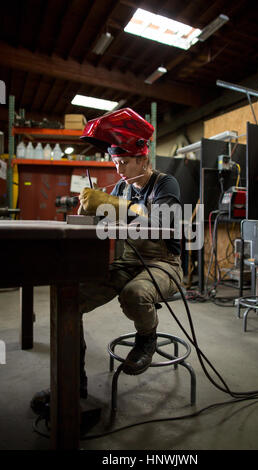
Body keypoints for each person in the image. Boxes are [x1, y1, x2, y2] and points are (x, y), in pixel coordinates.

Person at [31, 108, 183, 412]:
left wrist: (114, 204)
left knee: (135, 293)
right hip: (130, 261)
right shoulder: (122, 188)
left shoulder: (165, 184)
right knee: (70, 300)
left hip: (163, 263)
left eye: (125, 162)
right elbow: (105, 227)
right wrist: (88, 213)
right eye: (115, 163)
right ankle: (74, 382)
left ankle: (146, 339)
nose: (120, 169)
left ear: (143, 158)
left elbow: (160, 220)